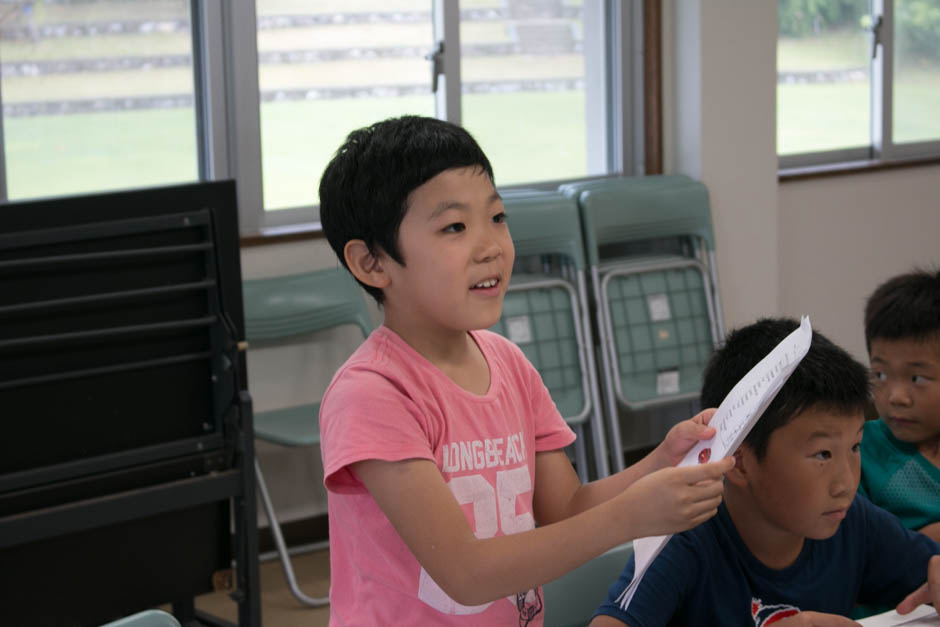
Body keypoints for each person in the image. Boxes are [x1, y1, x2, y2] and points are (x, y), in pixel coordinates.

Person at [316, 115, 734, 626]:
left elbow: (567, 509)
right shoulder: (372, 393)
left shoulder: (508, 363)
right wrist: (630, 517)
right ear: (372, 263)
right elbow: (465, 573)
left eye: (497, 217)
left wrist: (661, 461)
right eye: (454, 227)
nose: (491, 246)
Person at [590, 317, 940, 627]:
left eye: (854, 447)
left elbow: (929, 569)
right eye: (822, 454)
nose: (846, 483)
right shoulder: (684, 539)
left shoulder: (853, 523)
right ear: (739, 461)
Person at [859, 269, 940, 544]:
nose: (896, 397)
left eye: (917, 378)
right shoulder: (859, 452)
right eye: (880, 374)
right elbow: (852, 546)